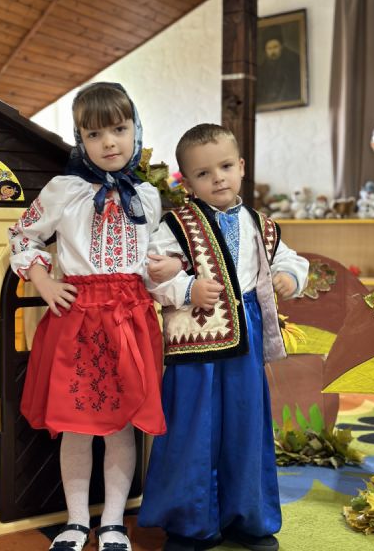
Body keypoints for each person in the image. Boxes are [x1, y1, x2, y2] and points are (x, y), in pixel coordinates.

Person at [8, 82, 181, 551]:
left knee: (122, 428)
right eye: (94, 134)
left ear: (135, 130)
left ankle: (113, 524)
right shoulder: (63, 191)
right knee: (77, 428)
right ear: (79, 139)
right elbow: (23, 235)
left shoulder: (148, 195)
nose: (108, 143)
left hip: (130, 321)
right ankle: (76, 522)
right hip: (78, 322)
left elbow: (159, 254)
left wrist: (171, 267)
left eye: (119, 129)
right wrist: (43, 281)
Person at [138, 124, 309, 551]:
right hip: (195, 343)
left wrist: (290, 277)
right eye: (203, 173)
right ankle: (189, 524)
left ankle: (247, 519)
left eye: (226, 166)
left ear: (242, 167)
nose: (218, 178)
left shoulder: (261, 226)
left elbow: (288, 259)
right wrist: (185, 288)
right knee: (192, 429)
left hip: (244, 338)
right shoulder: (175, 226)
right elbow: (151, 273)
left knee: (246, 425)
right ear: (187, 183)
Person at [257, 24, 301, 107]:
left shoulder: (294, 62)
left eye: (275, 47)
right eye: (269, 48)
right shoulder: (262, 69)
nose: (273, 52)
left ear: (281, 46)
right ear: (265, 50)